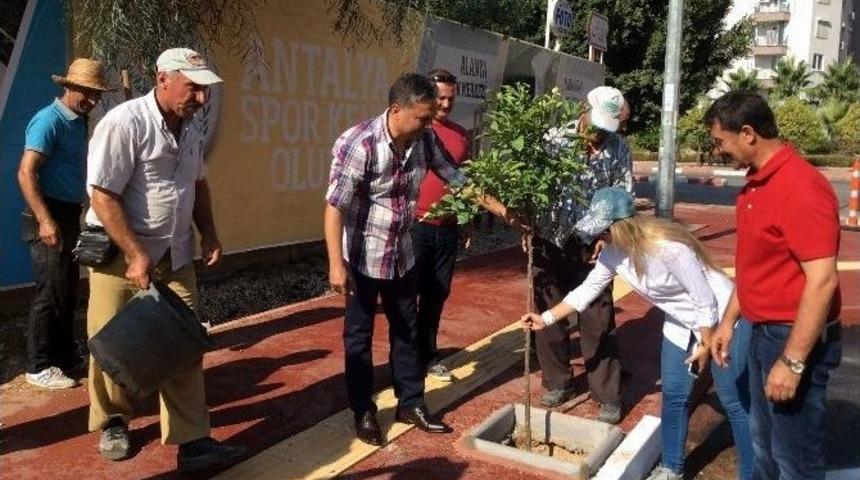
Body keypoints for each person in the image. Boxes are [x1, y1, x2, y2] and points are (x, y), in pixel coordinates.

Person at [325, 73, 525, 447]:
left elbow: (459, 179)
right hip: (362, 257)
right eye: (422, 117)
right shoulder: (360, 144)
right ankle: (363, 410)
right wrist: (336, 263)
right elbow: (334, 207)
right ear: (397, 110)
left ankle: (411, 403)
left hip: (402, 253)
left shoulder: (425, 138)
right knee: (359, 337)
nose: (428, 124)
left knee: (407, 330)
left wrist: (507, 214)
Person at [84, 48, 245, 472]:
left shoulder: (190, 128)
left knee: (184, 346)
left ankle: (193, 441)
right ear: (162, 79)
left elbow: (197, 185)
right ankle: (113, 421)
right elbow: (102, 194)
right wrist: (136, 254)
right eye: (193, 88)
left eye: (205, 90)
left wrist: (208, 232)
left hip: (175, 256)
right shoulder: (124, 123)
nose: (201, 99)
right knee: (112, 344)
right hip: (120, 255)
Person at [524, 187, 754, 480]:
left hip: (722, 320)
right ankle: (672, 468)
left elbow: (704, 300)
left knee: (732, 399)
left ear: (623, 226)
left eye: (604, 231)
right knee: (674, 395)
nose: (599, 238)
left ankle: (752, 473)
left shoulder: (669, 248)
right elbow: (586, 291)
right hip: (680, 322)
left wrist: (707, 344)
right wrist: (545, 319)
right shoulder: (612, 255)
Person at [705, 91, 842, 480]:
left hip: (792, 337)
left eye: (720, 141)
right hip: (762, 332)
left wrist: (793, 361)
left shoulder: (800, 186)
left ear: (747, 133)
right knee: (764, 448)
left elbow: (823, 280)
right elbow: (753, 267)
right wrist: (730, 321)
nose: (717, 151)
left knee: (794, 460)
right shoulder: (756, 184)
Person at [532, 86, 631, 423]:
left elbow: (624, 197)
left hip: (592, 245)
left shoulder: (619, 148)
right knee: (550, 317)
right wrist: (527, 226)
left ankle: (607, 395)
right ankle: (557, 382)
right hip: (550, 237)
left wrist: (608, 234)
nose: (600, 132)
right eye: (597, 122)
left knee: (598, 320)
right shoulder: (554, 140)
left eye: (608, 125)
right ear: (583, 111)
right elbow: (535, 187)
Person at [17, 58, 110, 389]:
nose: (93, 100)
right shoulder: (48, 120)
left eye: (96, 94)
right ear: (69, 87)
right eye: (87, 92)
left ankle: (64, 357)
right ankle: (38, 365)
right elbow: (26, 172)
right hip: (48, 216)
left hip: (69, 214)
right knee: (50, 292)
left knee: (68, 291)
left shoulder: (78, 121)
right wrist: (45, 220)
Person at [411, 68, 469, 382]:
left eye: (451, 98)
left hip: (447, 228)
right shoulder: (416, 130)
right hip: (416, 226)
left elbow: (466, 180)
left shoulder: (461, 134)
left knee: (437, 293)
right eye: (440, 97)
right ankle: (406, 357)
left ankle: (429, 354)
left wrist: (467, 220)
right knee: (410, 294)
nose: (445, 104)